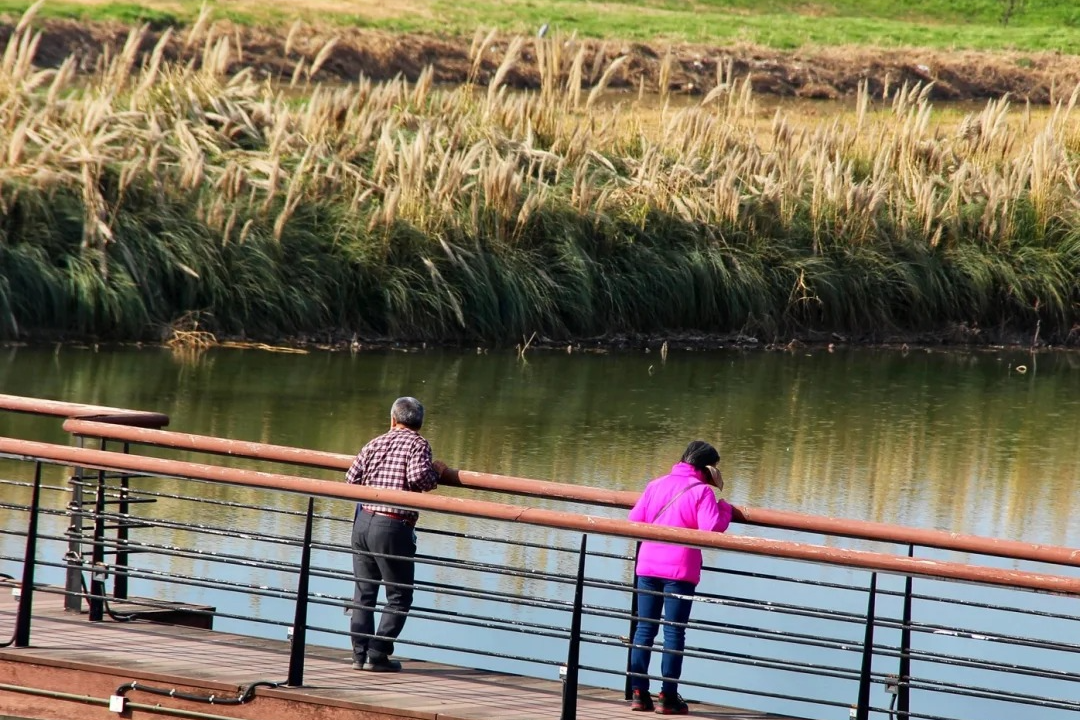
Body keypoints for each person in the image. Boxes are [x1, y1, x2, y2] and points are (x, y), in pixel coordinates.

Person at [627, 440, 733, 715]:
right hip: (680, 571)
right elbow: (710, 528)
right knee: (673, 632)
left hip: (648, 566)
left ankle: (638, 693)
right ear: (708, 469)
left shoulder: (656, 484)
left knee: (644, 629)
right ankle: (668, 697)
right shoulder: (702, 492)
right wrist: (726, 510)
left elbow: (635, 518)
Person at [346, 396, 446, 672]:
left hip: (363, 521)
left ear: (392, 419)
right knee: (399, 595)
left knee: (364, 592)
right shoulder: (418, 443)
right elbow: (418, 479)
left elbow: (351, 479)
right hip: (392, 525)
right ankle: (378, 654)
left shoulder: (375, 442)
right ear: (420, 423)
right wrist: (436, 472)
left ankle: (359, 654)